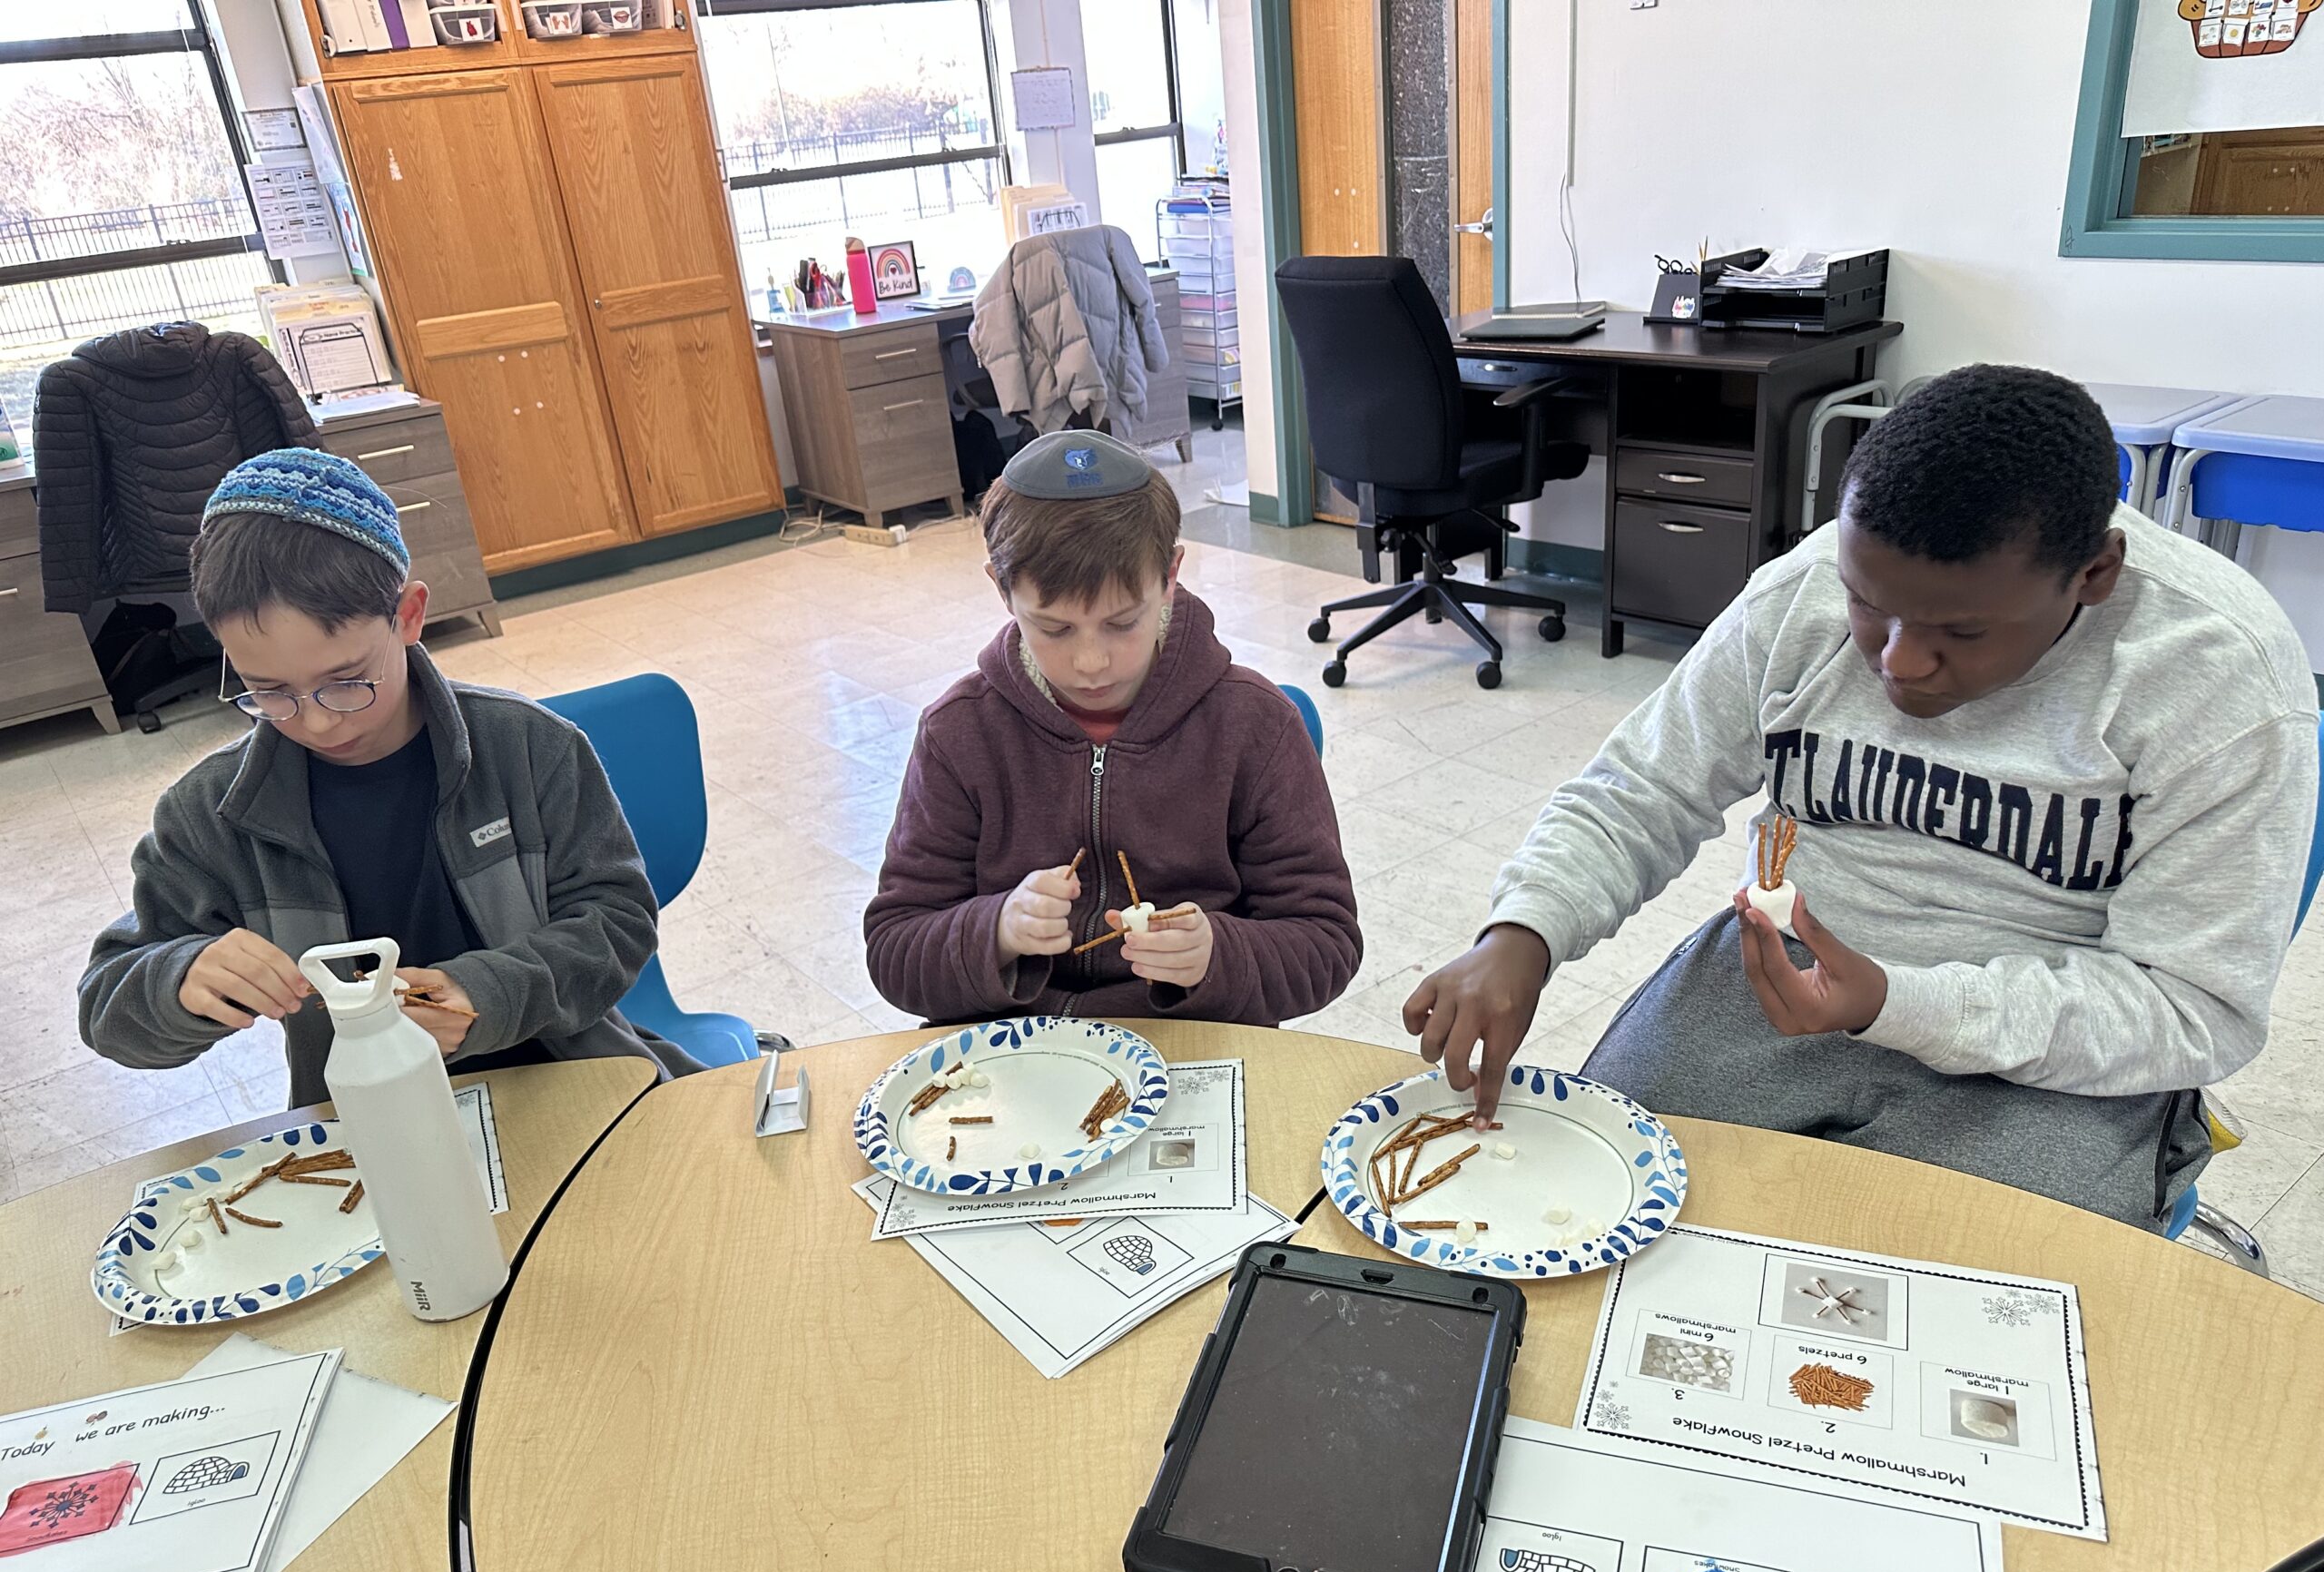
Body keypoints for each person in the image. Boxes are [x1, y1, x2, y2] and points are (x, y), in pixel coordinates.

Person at [1404, 365, 2319, 1226]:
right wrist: (1521, 934)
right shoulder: (1798, 596)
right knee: (1602, 1200)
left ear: (2094, 575)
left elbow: (2191, 1007)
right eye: (1865, 604)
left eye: (1960, 631)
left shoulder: (2215, 676)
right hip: (1790, 967)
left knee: (1961, 1311)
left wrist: (1897, 1002)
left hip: (2062, 1040)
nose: (1897, 662)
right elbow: (1639, 788)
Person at [80, 448, 696, 1107]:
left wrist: (489, 992)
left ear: (407, 615)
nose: (315, 723)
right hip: (366, 1121)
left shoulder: (529, 746)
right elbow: (106, 1008)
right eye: (268, 692)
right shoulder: (213, 813)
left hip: (563, 1079)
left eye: (346, 682)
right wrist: (178, 978)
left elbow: (618, 920)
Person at [865, 431, 1361, 1025]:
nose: (1092, 663)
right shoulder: (959, 734)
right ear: (1002, 589)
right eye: (1054, 629)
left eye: (1123, 622)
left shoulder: (1254, 726)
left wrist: (1216, 955)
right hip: (1015, 1057)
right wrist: (993, 931)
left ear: (1170, 574)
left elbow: (1327, 943)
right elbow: (894, 949)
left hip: (1193, 1047)